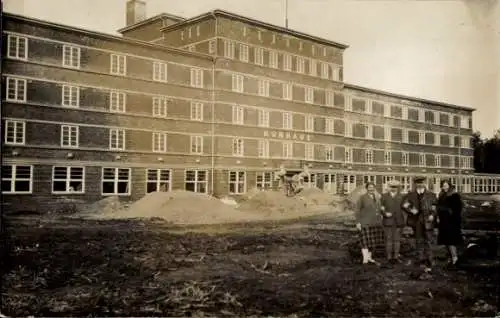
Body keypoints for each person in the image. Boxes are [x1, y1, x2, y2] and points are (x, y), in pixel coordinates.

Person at [401, 176, 438, 272]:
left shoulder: (431, 195)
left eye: (421, 182)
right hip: (416, 222)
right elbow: (404, 205)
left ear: (424, 183)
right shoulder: (410, 195)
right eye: (417, 183)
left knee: (429, 242)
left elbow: (434, 206)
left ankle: (430, 261)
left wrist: (432, 215)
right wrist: (413, 210)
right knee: (419, 241)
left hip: (428, 222)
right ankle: (420, 260)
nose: (419, 184)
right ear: (415, 184)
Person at [436, 179, 463, 267]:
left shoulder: (454, 195)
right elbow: (439, 206)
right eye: (443, 185)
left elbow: (457, 209)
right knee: (446, 241)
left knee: (451, 241)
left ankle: (455, 258)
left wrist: (446, 210)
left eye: (446, 185)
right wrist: (438, 216)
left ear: (449, 185)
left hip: (452, 222)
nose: (444, 187)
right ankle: (451, 258)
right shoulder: (441, 195)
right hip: (444, 222)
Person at [355, 182, 384, 265]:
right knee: (365, 242)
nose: (371, 189)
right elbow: (357, 211)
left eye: (373, 187)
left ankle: (370, 257)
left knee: (373, 242)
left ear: (374, 188)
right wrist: (358, 222)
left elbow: (380, 208)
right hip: (365, 222)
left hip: (375, 223)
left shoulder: (377, 197)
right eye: (369, 187)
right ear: (367, 188)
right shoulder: (362, 198)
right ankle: (365, 259)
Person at [380, 179, 405, 264]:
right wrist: (384, 213)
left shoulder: (402, 196)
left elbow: (407, 206)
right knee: (389, 240)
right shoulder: (384, 196)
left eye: (395, 187)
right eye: (392, 187)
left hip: (398, 221)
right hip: (388, 221)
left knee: (397, 240)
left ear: (398, 188)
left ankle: (396, 257)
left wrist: (415, 211)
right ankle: (389, 258)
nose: (393, 188)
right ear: (389, 187)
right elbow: (380, 207)